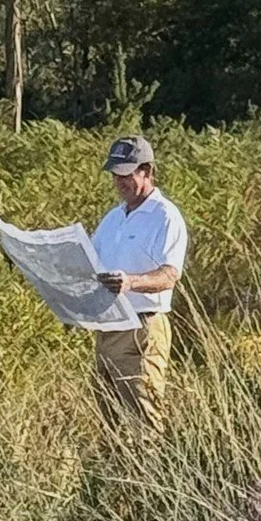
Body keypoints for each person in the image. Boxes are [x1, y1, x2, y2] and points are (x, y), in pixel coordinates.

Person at [91, 134, 188, 428]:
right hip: (107, 328)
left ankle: (151, 472)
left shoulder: (165, 216)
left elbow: (170, 274)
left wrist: (130, 282)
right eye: (115, 174)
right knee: (110, 421)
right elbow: (92, 266)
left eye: (127, 174)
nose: (120, 181)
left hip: (142, 328)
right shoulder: (113, 218)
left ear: (147, 171)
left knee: (144, 420)